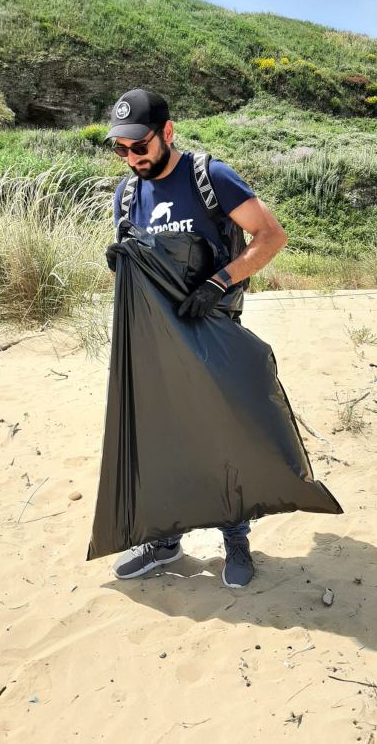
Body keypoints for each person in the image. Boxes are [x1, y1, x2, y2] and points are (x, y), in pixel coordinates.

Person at [104, 88, 288, 589]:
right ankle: (164, 540)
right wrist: (122, 263)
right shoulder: (126, 194)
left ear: (167, 132)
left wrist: (218, 282)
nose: (131, 158)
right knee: (161, 437)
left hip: (213, 329)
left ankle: (236, 538)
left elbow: (271, 236)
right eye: (120, 149)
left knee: (221, 433)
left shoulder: (210, 177)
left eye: (138, 145)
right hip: (156, 344)